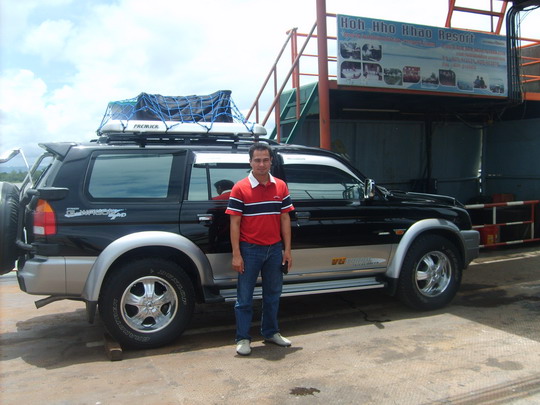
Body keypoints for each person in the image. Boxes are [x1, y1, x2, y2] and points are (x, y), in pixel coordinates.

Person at [225, 143, 294, 356]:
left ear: (271, 161)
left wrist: (287, 250)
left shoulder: (280, 186)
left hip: (274, 250)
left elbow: (285, 219)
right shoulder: (240, 188)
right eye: (257, 160)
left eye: (265, 160)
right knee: (244, 298)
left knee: (273, 294)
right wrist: (236, 254)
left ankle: (271, 332)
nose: (261, 164)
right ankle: (243, 338)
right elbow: (235, 223)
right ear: (250, 162)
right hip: (250, 250)